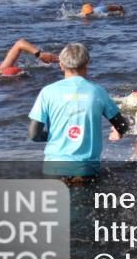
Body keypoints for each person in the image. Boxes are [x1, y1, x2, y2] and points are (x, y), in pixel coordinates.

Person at [28, 43, 130, 180]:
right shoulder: (97, 91)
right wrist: (121, 130)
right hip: (86, 169)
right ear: (87, 64)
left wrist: (53, 135)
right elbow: (122, 125)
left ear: (61, 65)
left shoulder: (47, 92)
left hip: (54, 168)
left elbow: (34, 134)